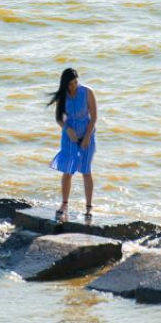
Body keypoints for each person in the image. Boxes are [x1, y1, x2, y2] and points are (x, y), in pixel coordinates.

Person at [47, 68, 97, 222]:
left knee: (86, 171)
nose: (73, 86)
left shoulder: (87, 92)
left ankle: (88, 208)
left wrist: (87, 137)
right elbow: (59, 119)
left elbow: (94, 117)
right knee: (68, 171)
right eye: (70, 84)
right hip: (69, 136)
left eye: (75, 82)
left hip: (87, 133)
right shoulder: (62, 96)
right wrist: (67, 130)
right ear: (65, 84)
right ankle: (64, 205)